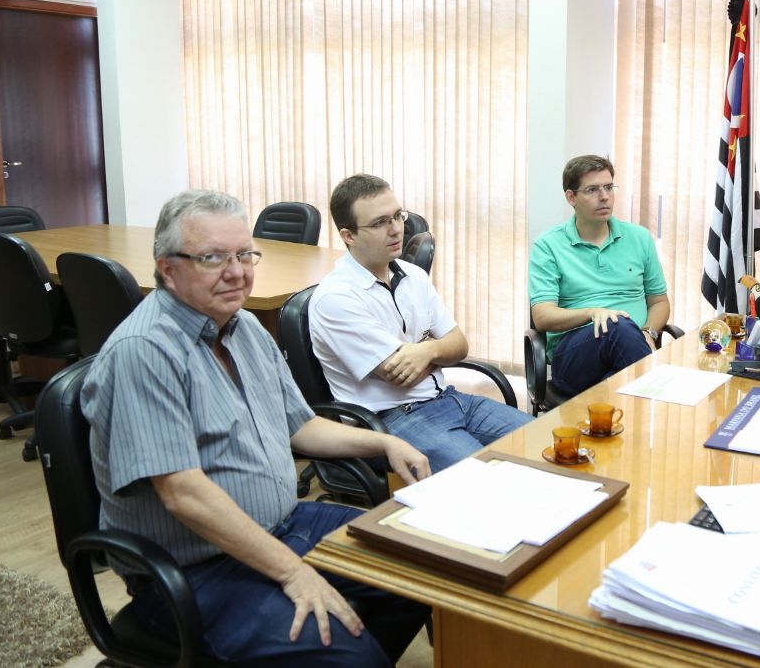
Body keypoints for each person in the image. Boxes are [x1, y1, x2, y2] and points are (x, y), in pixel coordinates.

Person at [82, 190, 430, 666]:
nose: (237, 271)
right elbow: (182, 493)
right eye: (212, 258)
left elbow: (301, 428)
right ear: (168, 268)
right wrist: (291, 572)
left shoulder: (243, 328)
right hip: (196, 568)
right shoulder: (144, 351)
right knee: (348, 656)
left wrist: (386, 441)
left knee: (424, 566)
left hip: (284, 526)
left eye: (245, 254)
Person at [310, 174, 530, 473]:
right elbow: (399, 375)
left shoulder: (413, 275)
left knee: (545, 446)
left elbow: (460, 345)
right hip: (393, 420)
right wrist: (438, 349)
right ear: (349, 235)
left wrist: (425, 352)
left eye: (398, 216)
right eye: (380, 223)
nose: (396, 229)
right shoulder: (336, 298)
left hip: (448, 399)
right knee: (488, 478)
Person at [528, 155, 671, 398]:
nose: (604, 196)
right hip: (575, 357)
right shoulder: (548, 246)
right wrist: (592, 313)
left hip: (632, 350)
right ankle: (663, 397)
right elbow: (542, 317)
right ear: (571, 197)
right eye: (593, 189)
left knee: (615, 387)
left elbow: (659, 302)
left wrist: (648, 333)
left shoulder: (639, 238)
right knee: (617, 325)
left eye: (608, 187)